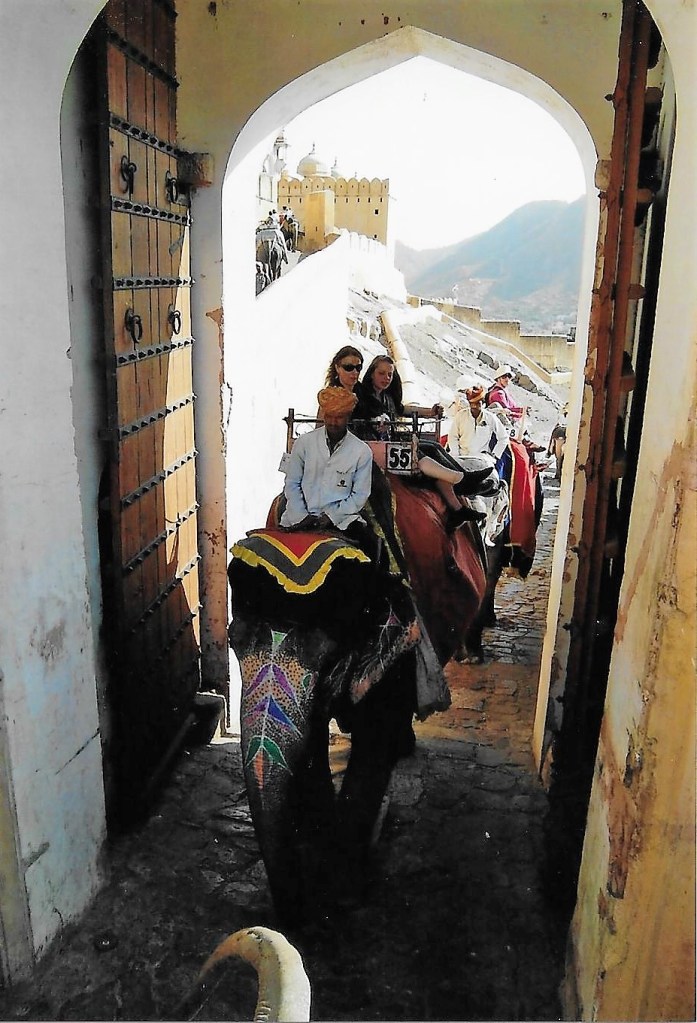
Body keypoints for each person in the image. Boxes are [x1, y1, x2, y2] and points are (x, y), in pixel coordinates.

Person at [350, 353, 478, 532]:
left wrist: (429, 412)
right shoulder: (362, 397)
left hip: (388, 443)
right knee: (424, 450)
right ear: (371, 373)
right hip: (376, 447)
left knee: (433, 446)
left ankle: (458, 499)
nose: (386, 378)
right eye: (382, 373)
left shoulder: (386, 396)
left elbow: (402, 409)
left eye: (390, 374)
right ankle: (461, 479)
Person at [280, 387, 373, 552]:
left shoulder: (362, 451)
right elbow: (292, 483)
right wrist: (301, 516)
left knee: (370, 549)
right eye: (329, 416)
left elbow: (359, 496)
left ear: (348, 417)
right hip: (298, 516)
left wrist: (331, 516)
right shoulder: (304, 443)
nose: (333, 422)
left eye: (339, 417)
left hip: (342, 520)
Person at [449, 382, 510, 466]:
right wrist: (456, 454)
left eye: (478, 403)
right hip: (461, 457)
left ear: (483, 402)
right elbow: (453, 436)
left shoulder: (490, 417)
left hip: (482, 460)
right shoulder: (460, 415)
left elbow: (503, 438)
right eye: (472, 404)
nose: (475, 407)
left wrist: (494, 456)